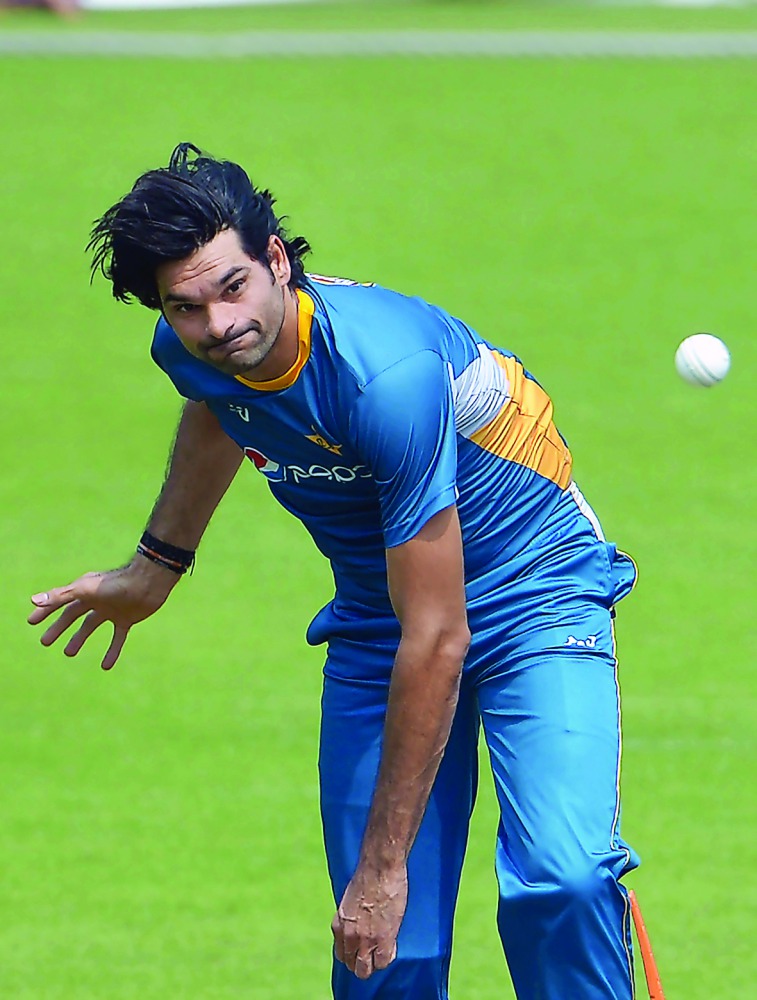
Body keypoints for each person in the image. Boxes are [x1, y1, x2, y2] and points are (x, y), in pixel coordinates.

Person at [28, 143, 640, 1000]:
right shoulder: (192, 349)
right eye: (185, 307)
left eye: (233, 287)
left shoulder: (383, 376)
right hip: (380, 614)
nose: (218, 325)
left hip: (532, 593)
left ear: (276, 259)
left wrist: (385, 869)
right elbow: (219, 407)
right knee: (387, 953)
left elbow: (439, 636)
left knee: (560, 881)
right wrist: (156, 566)